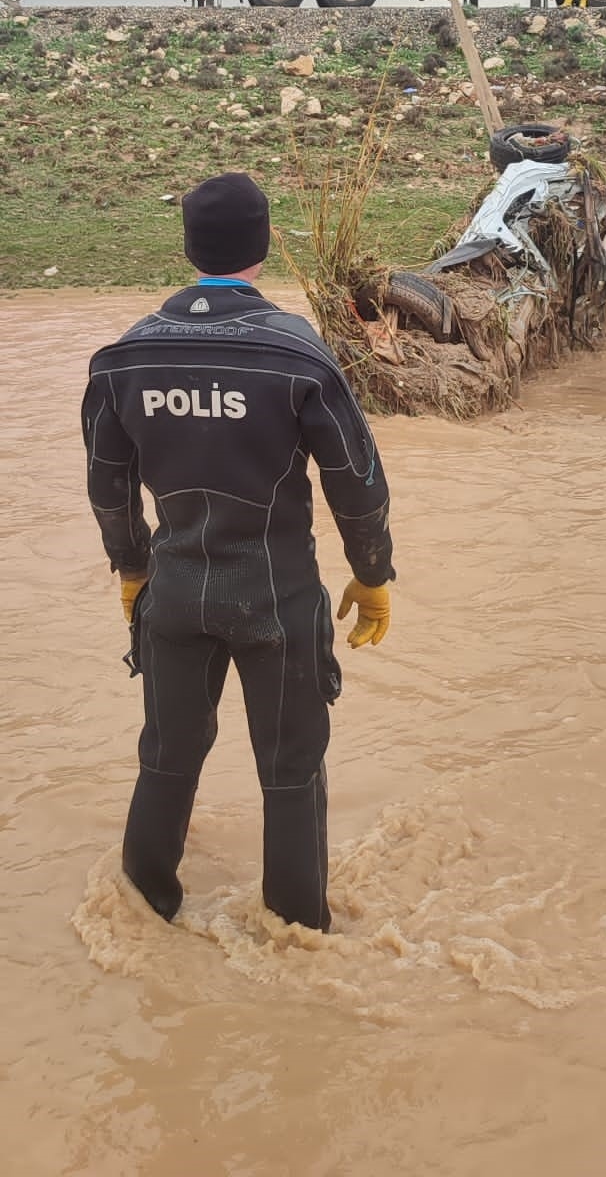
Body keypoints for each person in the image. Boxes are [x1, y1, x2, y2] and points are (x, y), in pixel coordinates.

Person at [80, 171, 394, 933]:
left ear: (188, 245)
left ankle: (141, 910)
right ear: (262, 245)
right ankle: (296, 934)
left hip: (175, 596)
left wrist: (132, 572)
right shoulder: (299, 354)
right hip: (276, 601)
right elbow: (356, 479)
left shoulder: (123, 358)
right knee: (290, 770)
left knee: (166, 756)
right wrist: (372, 574)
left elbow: (108, 487)